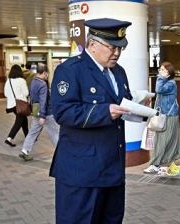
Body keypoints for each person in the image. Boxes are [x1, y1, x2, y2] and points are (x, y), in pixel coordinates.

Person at [50, 18, 132, 223]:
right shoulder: (70, 70)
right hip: (82, 173)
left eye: (121, 48)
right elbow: (63, 112)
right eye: (112, 47)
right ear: (92, 44)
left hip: (112, 169)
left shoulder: (119, 72)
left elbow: (121, 101)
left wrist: (136, 105)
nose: (117, 53)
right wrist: (104, 112)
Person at [143, 61, 180, 174]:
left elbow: (159, 89)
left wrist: (160, 77)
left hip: (169, 115)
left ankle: (155, 164)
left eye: (163, 70)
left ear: (169, 73)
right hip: (164, 115)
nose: (160, 72)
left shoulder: (171, 83)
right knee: (172, 140)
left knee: (162, 141)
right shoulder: (166, 82)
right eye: (160, 69)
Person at [19, 63, 59, 161]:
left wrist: (36, 112)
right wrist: (42, 115)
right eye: (47, 74)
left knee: (33, 132)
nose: (47, 76)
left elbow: (32, 97)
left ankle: (25, 150)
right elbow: (43, 100)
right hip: (46, 113)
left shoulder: (34, 81)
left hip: (36, 111)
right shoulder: (42, 84)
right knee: (54, 132)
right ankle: (61, 152)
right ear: (44, 73)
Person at [4, 64, 29, 147]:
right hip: (20, 104)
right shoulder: (21, 80)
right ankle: (9, 138)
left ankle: (28, 136)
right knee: (19, 121)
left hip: (11, 105)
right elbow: (26, 93)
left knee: (23, 120)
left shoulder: (8, 81)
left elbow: (5, 94)